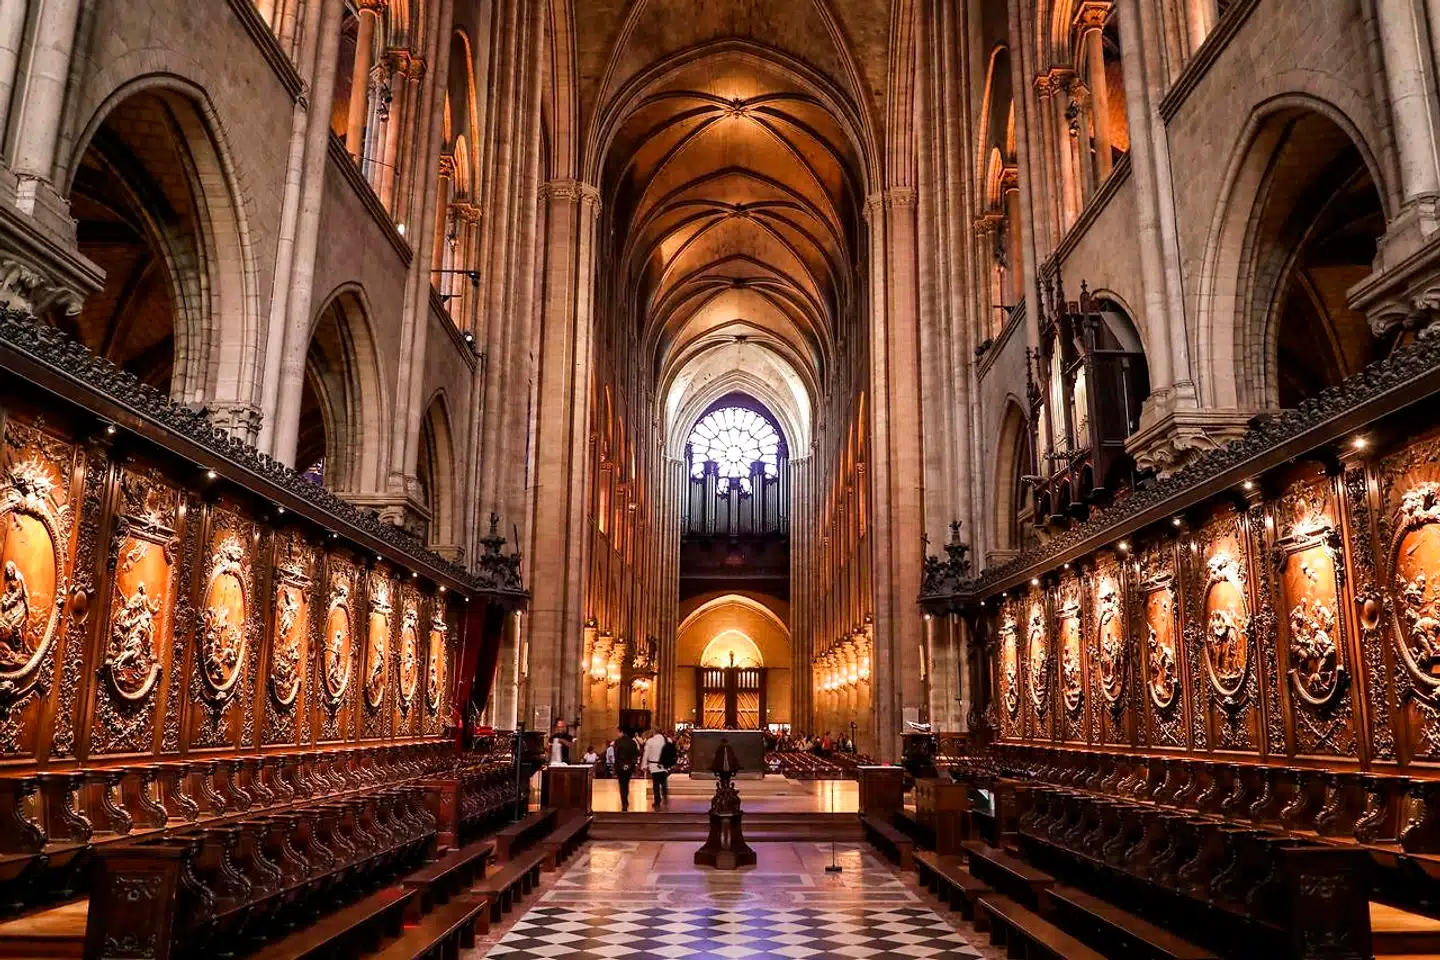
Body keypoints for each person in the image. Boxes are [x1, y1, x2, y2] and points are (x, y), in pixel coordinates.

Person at [612, 726, 639, 811]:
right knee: (626, 784)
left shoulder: (617, 742)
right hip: (629, 767)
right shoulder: (633, 742)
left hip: (620, 767)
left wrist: (621, 765)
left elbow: (616, 756)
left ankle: (624, 803)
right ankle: (625, 800)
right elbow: (635, 755)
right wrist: (629, 765)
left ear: (621, 732)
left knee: (622, 785)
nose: (617, 734)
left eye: (618, 732)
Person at [643, 728, 668, 806]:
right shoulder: (666, 741)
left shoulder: (650, 741)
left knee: (656, 784)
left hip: (654, 766)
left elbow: (646, 753)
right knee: (663, 782)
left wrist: (644, 765)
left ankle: (657, 800)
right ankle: (665, 797)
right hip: (663, 765)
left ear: (653, 732)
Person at [659, 733, 678, 799]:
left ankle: (663, 793)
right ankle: (664, 792)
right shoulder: (669, 745)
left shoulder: (665, 746)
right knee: (663, 779)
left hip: (664, 764)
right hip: (666, 764)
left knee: (661, 780)